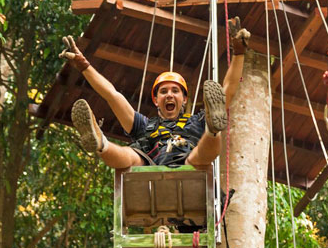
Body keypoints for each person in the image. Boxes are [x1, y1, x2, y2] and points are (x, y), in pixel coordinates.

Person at [62, 17, 251, 169]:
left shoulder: (196, 121)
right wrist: (84, 66)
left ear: (184, 99)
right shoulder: (144, 126)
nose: (169, 94)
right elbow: (112, 95)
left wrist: (239, 53)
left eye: (175, 91)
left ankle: (212, 130)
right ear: (155, 100)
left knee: (199, 155)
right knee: (130, 156)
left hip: (189, 163)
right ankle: (100, 142)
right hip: (149, 164)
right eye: (163, 91)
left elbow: (230, 89)